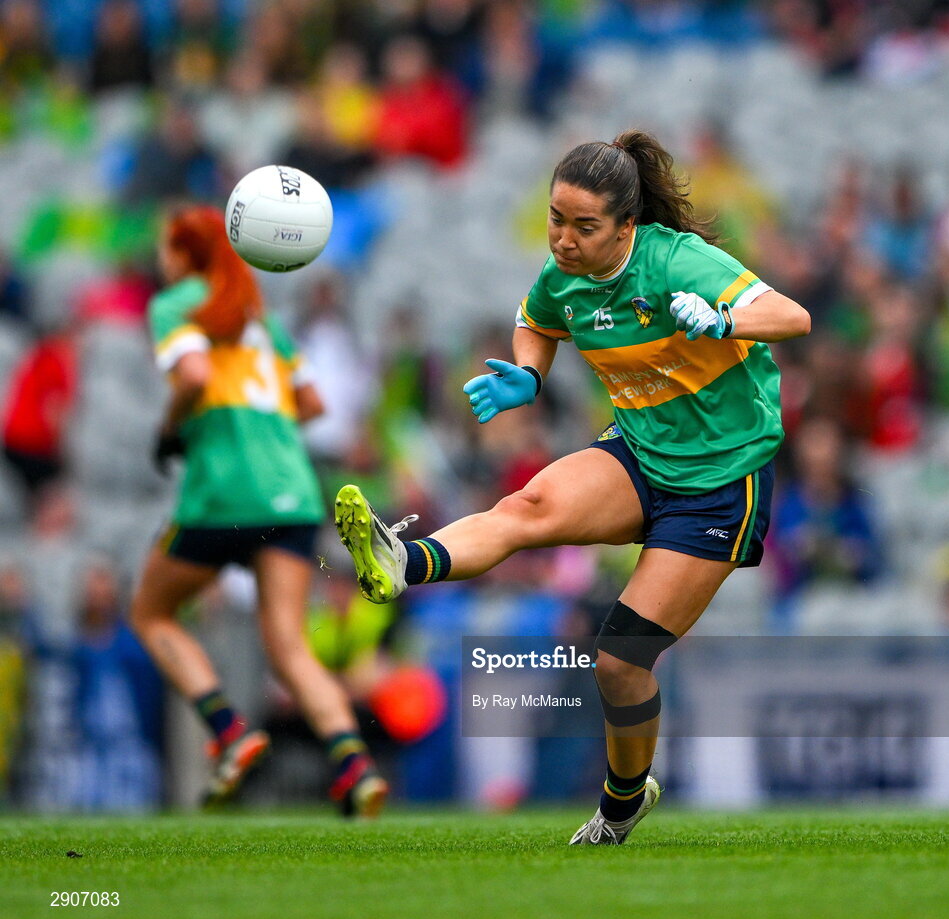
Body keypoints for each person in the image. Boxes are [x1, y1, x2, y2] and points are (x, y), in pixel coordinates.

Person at [335, 129, 810, 843]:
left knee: (620, 662)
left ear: (625, 226)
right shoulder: (564, 274)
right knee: (524, 505)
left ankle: (621, 804)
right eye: (556, 219)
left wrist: (721, 318)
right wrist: (529, 373)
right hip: (641, 453)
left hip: (720, 480)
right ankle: (403, 562)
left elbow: (791, 315)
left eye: (583, 226)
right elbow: (537, 320)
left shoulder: (678, 259)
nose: (562, 239)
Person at [131, 206, 387, 817]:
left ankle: (230, 731)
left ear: (182, 252)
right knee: (289, 645)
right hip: (292, 490)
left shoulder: (176, 304)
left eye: (168, 246)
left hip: (223, 491)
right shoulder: (258, 317)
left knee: (151, 611)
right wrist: (263, 430)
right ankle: (355, 767)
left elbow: (193, 375)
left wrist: (171, 431)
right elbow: (313, 403)